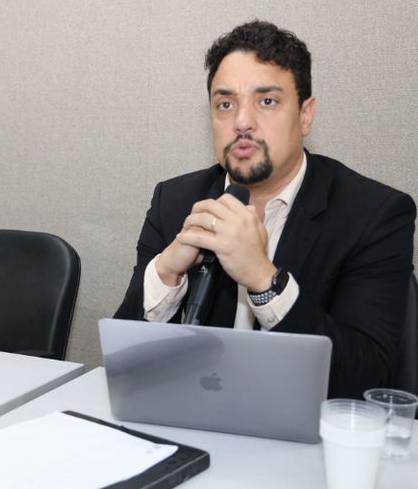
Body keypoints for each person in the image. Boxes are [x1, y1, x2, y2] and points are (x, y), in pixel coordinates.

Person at [115, 21, 416, 399]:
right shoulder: (173, 201)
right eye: (225, 104)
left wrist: (264, 280)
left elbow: (368, 378)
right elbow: (125, 368)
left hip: (304, 442)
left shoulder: (374, 214)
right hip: (191, 422)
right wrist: (166, 273)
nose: (241, 122)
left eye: (267, 101)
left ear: (306, 115)